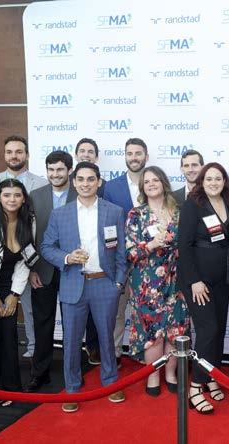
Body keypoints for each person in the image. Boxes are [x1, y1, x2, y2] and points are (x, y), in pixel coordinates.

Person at [41, 162, 127, 413]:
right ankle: (72, 389)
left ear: (99, 182)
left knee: (107, 338)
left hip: (105, 284)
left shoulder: (114, 211)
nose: (85, 184)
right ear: (74, 181)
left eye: (91, 179)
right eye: (80, 179)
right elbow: (47, 247)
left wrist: (118, 283)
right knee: (70, 341)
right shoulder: (60, 214)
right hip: (73, 284)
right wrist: (67, 258)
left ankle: (110, 383)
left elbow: (121, 252)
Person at [177, 162, 229, 414]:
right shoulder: (193, 205)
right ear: (202, 181)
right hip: (198, 281)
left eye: (218, 178)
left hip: (223, 279)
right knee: (208, 330)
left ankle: (212, 376)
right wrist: (194, 280)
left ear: (225, 181)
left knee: (219, 330)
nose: (214, 183)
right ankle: (195, 387)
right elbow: (184, 245)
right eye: (209, 178)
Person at [126, 166, 189, 397]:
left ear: (163, 182)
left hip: (177, 280)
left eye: (155, 180)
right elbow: (130, 253)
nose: (151, 184)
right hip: (147, 283)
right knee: (152, 332)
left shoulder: (179, 212)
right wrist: (151, 245)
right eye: (147, 182)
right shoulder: (136, 214)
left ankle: (170, 373)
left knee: (175, 328)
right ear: (142, 187)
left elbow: (188, 245)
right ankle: (152, 375)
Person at [0, 136, 47, 359]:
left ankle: (32, 350)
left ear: (27, 155)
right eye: (10, 152)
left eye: (19, 151)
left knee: (26, 313)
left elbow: (39, 228)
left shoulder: (42, 184)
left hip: (24, 262)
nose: (14, 156)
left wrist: (32, 267)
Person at [26, 151, 77, 392]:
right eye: (51, 170)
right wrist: (31, 268)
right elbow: (27, 235)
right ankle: (40, 373)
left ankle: (72, 373)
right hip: (42, 271)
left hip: (73, 270)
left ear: (69, 170)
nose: (55, 174)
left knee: (72, 326)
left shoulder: (81, 192)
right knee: (42, 324)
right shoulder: (35, 196)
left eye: (59, 169)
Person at [0, 179, 35, 406]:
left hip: (9, 287)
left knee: (9, 336)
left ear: (23, 198)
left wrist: (14, 295)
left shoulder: (28, 221)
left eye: (17, 195)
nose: (12, 199)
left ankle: (9, 388)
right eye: (6, 195)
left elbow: (25, 261)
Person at [103, 137, 149, 368]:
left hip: (150, 261)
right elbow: (107, 225)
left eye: (138, 153)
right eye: (129, 153)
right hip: (120, 260)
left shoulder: (154, 182)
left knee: (147, 310)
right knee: (117, 311)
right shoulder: (111, 187)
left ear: (146, 156)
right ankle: (114, 354)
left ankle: (147, 354)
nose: (134, 157)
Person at [74, 137, 105, 365]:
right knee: (72, 330)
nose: (86, 184)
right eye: (82, 151)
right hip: (72, 274)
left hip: (101, 275)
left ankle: (97, 352)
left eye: (90, 151)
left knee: (102, 326)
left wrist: (117, 281)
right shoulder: (67, 203)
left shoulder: (106, 197)